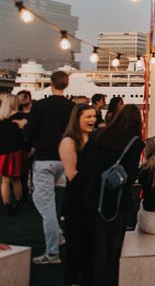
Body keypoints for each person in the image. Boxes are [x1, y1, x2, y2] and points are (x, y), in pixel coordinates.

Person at [76, 104, 144, 286]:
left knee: (93, 244)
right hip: (115, 200)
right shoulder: (135, 142)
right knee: (112, 247)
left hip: (91, 195)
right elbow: (129, 175)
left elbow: (84, 162)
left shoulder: (100, 135)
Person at [25, 70, 74, 265]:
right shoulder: (72, 107)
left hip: (44, 159)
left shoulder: (41, 106)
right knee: (41, 199)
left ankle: (52, 252)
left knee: (46, 205)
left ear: (51, 83)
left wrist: (30, 145)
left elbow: (30, 131)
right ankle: (59, 235)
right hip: (65, 159)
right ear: (66, 84)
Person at [58, 104, 96, 285]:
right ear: (77, 118)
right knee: (75, 247)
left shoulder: (93, 138)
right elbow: (72, 174)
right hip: (76, 200)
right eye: (88, 117)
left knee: (89, 246)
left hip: (91, 199)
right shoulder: (69, 142)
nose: (92, 120)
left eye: (94, 116)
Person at [0, 95, 27, 216]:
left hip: (3, 153)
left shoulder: (1, 119)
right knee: (16, 179)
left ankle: (7, 206)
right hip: (17, 151)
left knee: (5, 180)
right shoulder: (22, 118)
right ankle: (19, 203)